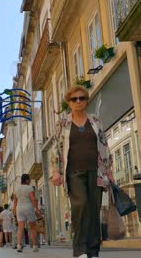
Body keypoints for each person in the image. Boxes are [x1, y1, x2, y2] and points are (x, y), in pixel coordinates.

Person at [50, 85, 115, 258]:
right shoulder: (63, 123)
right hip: (73, 172)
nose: (78, 102)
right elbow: (56, 149)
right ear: (69, 103)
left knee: (94, 210)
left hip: (97, 171)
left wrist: (109, 171)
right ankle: (80, 250)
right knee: (81, 206)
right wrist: (56, 171)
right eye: (74, 99)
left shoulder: (95, 120)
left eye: (82, 98)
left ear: (86, 101)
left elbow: (104, 146)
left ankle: (93, 251)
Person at [13, 174, 41, 253]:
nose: (30, 181)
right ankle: (35, 246)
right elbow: (33, 199)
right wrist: (37, 209)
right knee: (32, 228)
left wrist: (14, 212)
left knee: (20, 228)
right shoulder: (29, 187)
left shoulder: (16, 188)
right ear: (27, 180)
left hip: (19, 208)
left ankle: (18, 245)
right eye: (29, 179)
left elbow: (15, 202)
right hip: (28, 208)